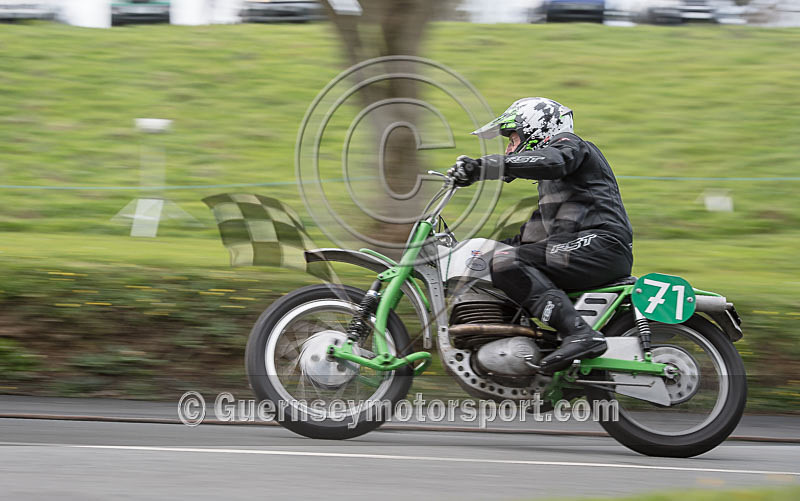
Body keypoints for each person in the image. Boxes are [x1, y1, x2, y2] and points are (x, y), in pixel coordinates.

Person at [448, 97, 634, 374]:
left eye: (512, 138)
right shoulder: (552, 187)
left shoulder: (570, 146)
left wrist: (484, 166)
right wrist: (468, 249)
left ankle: (581, 334)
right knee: (501, 259)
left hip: (602, 243)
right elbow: (529, 240)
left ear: (537, 128)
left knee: (506, 262)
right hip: (574, 248)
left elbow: (553, 161)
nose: (510, 148)